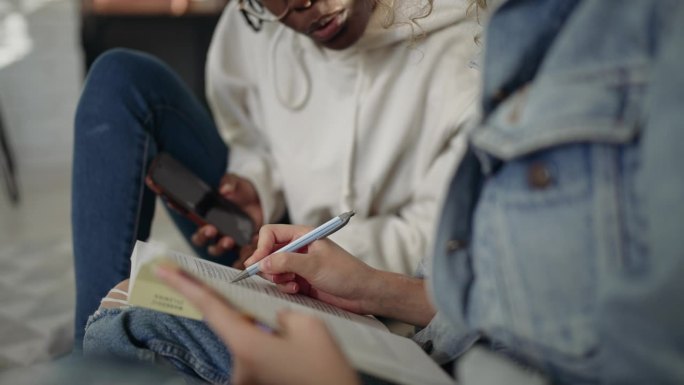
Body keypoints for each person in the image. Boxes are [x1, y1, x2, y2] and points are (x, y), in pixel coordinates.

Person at [134, 0, 684, 384]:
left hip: (396, 344)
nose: (301, 9)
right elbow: (509, 301)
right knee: (131, 320)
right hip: (410, 325)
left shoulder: (476, 48)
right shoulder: (539, 30)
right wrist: (377, 289)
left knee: (132, 328)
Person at [72, 0, 481, 346]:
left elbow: (439, 244)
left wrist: (314, 256)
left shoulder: (472, 53)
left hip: (380, 278)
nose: (305, 9)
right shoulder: (252, 22)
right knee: (120, 79)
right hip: (269, 252)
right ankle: (95, 356)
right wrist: (255, 185)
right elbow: (250, 137)